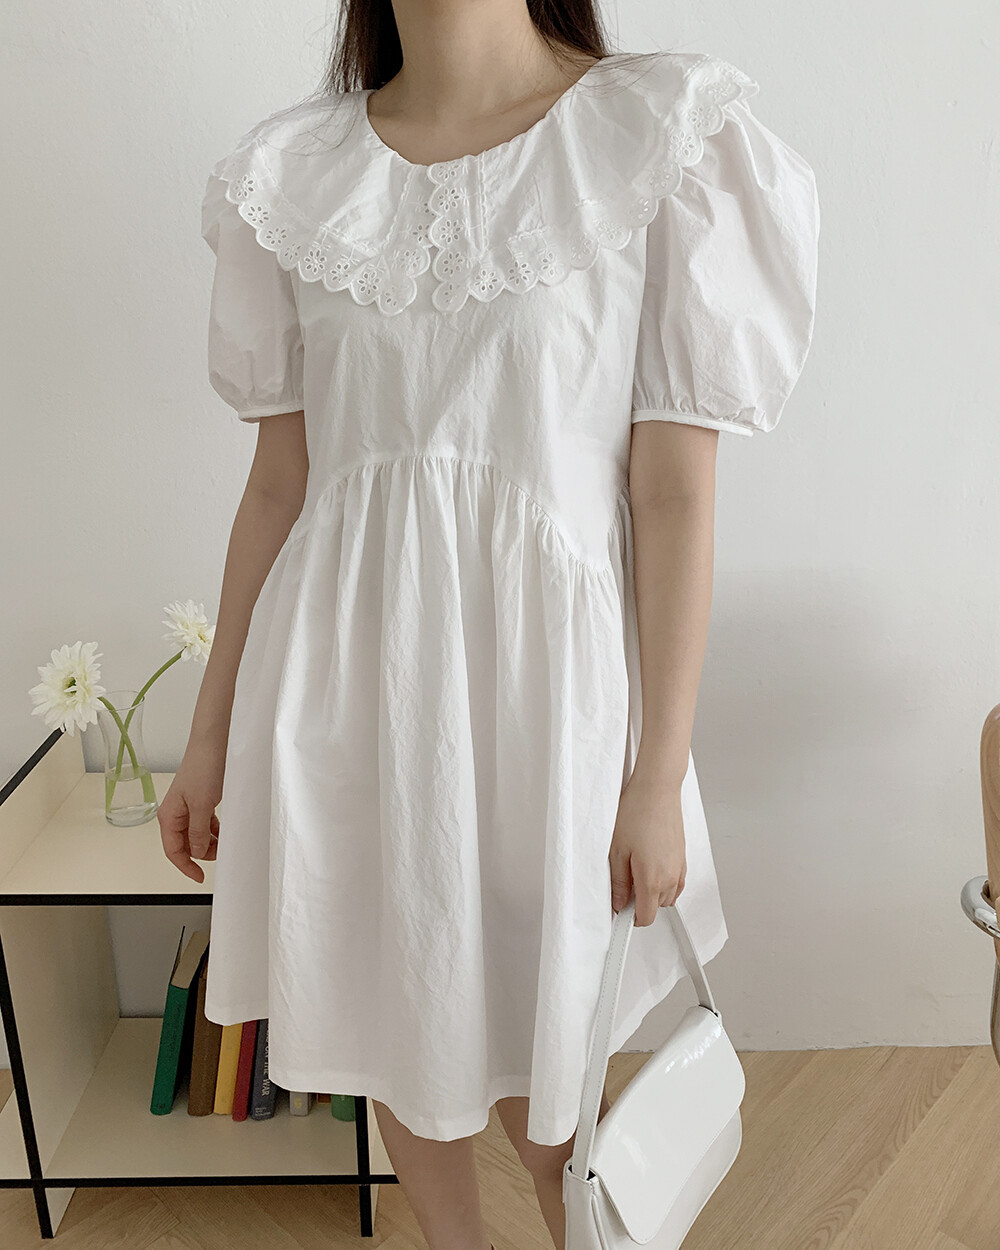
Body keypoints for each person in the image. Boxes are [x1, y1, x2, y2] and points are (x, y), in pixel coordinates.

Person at [157, 2, 819, 1247]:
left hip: (550, 696)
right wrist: (207, 737)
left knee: (545, 1029)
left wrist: (658, 771)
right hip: (344, 684)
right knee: (389, 1011)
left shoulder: (654, 133)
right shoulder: (291, 173)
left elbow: (671, 494)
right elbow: (278, 487)